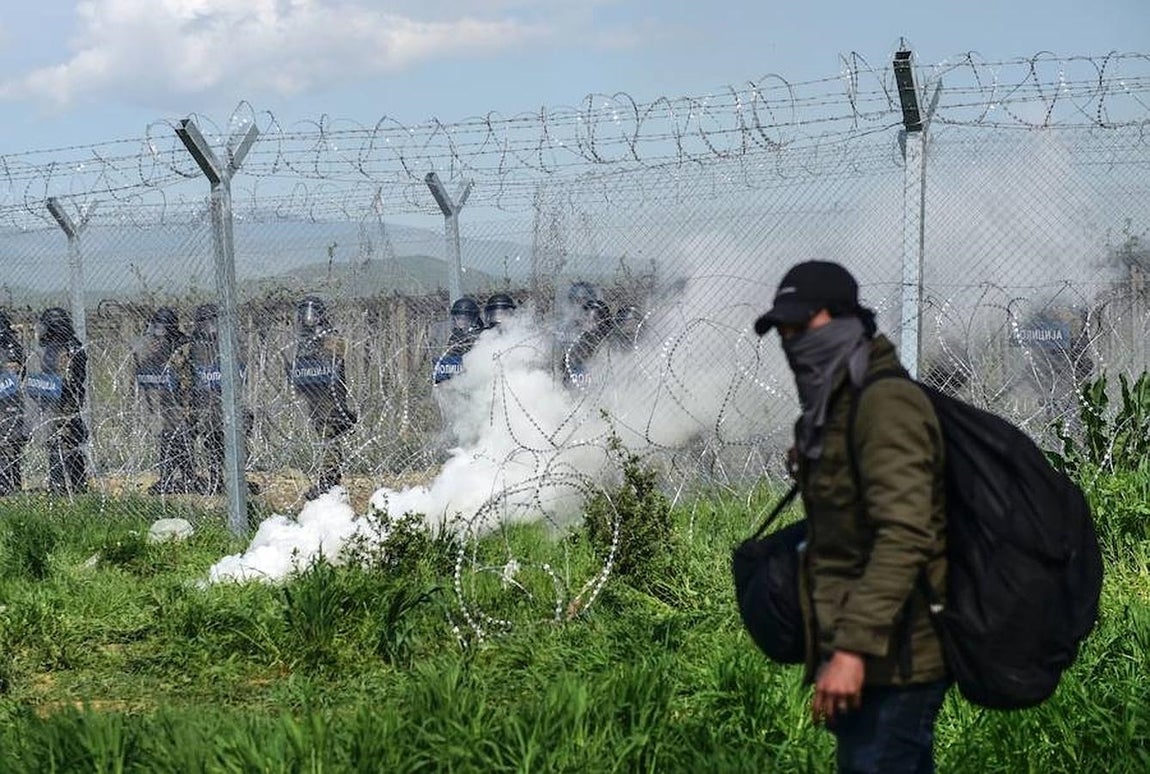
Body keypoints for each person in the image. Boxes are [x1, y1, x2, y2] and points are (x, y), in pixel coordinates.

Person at [753, 260, 949, 773]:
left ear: (844, 321)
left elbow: (905, 536)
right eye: (785, 332)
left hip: (896, 658)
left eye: (803, 328)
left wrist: (852, 653)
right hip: (867, 651)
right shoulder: (835, 409)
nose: (792, 343)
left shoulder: (884, 405)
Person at [286, 295, 357, 500]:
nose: (308, 318)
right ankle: (328, 480)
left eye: (312, 314)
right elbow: (300, 368)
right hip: (313, 395)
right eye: (305, 314)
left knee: (329, 435)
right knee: (323, 434)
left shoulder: (331, 338)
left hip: (330, 396)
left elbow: (335, 361)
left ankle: (328, 481)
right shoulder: (303, 341)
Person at [187, 303, 256, 496]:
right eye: (203, 322)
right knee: (212, 443)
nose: (207, 327)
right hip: (207, 404)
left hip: (230, 403)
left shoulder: (231, 342)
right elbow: (193, 374)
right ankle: (216, 480)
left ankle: (236, 481)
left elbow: (242, 369)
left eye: (209, 321)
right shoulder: (197, 346)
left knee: (233, 444)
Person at [134, 307, 199, 495]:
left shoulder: (182, 345)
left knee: (177, 437)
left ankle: (180, 478)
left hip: (184, 401)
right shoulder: (161, 346)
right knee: (170, 437)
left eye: (161, 331)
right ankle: (178, 477)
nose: (157, 335)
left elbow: (183, 373)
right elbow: (147, 367)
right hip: (167, 400)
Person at [24, 307, 88, 495]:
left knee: (62, 441)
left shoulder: (72, 348)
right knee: (62, 442)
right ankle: (75, 483)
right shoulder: (51, 348)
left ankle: (61, 485)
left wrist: (54, 383)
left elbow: (73, 379)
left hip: (66, 402)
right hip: (51, 401)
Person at [0, 310, 27, 495]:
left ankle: (8, 485)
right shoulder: (12, 346)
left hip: (8, 401)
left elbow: (15, 374)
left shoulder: (9, 348)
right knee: (9, 444)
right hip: (11, 401)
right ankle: (11, 483)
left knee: (8, 443)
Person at [433, 296, 484, 385]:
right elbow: (450, 358)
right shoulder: (455, 336)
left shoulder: (480, 335)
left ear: (473, 318)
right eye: (458, 317)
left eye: (465, 318)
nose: (461, 321)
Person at [563, 298, 613, 388]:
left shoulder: (608, 350)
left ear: (603, 324)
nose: (586, 324)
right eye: (585, 319)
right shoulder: (573, 348)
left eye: (593, 321)